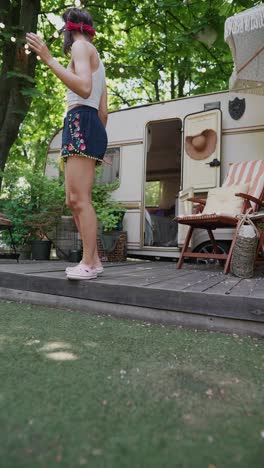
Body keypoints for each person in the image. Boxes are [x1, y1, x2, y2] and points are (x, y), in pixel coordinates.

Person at [26, 8, 108, 280]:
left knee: (79, 199)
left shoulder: (80, 47)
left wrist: (48, 58)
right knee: (73, 200)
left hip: (81, 120)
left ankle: (87, 263)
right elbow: (104, 111)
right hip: (89, 123)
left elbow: (84, 89)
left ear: (68, 29)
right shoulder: (94, 53)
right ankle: (93, 261)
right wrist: (94, 139)